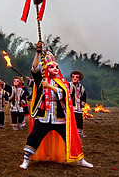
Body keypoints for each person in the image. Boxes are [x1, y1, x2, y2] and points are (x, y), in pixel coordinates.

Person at [20, 41, 93, 169]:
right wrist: (37, 53)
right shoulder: (41, 80)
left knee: (71, 137)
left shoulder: (63, 82)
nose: (54, 69)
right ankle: (26, 160)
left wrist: (50, 87)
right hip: (43, 117)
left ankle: (81, 160)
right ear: (47, 69)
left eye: (56, 67)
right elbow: (35, 69)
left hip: (60, 118)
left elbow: (65, 94)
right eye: (51, 67)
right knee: (34, 137)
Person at [69, 70, 87, 137]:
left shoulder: (81, 87)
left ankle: (79, 133)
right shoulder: (69, 85)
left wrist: (83, 102)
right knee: (72, 119)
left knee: (79, 119)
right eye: (73, 77)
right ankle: (71, 132)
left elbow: (84, 95)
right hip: (71, 105)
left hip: (78, 105)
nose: (74, 78)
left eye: (76, 77)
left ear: (79, 79)